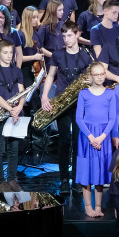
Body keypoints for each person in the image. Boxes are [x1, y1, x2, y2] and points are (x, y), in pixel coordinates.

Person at [40, 22, 91, 181]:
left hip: (80, 103)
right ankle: (63, 179)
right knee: (64, 140)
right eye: (64, 36)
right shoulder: (58, 54)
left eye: (69, 35)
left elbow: (91, 77)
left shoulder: (86, 55)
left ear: (77, 34)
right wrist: (44, 96)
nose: (66, 39)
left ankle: (76, 178)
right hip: (62, 102)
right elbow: (50, 76)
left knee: (77, 141)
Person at [77, 61, 117, 218]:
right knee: (87, 171)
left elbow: (112, 119)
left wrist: (101, 138)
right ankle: (88, 206)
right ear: (91, 76)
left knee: (100, 171)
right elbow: (79, 118)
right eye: (96, 74)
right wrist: (91, 138)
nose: (100, 77)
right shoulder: (84, 94)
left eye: (102, 74)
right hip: (87, 137)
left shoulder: (110, 94)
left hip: (103, 137)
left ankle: (98, 206)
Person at [0, 39, 25, 190]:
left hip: (16, 112)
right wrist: (11, 109)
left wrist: (19, 107)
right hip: (1, 113)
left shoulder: (17, 71)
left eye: (11, 52)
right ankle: (0, 181)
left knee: (14, 148)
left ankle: (11, 180)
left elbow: (22, 92)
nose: (9, 55)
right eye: (5, 53)